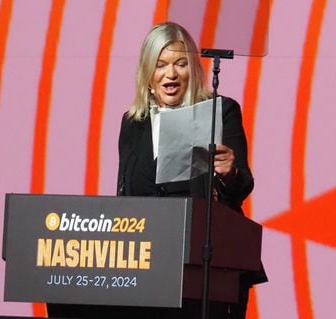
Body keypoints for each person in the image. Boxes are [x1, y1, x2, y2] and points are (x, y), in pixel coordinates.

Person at [47, 22, 266, 319]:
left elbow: (241, 187)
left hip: (209, 261)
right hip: (149, 264)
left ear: (192, 70)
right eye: (160, 65)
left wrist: (229, 173)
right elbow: (126, 194)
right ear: (148, 74)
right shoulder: (133, 123)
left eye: (179, 64)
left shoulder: (220, 110)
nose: (171, 74)